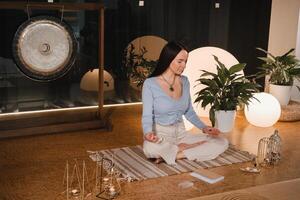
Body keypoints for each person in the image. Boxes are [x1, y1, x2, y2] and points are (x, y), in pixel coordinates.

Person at [142, 41, 228, 165]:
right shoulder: (150, 84)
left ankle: (178, 154)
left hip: (182, 135)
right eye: (180, 61)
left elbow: (189, 111)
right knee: (149, 148)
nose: (184, 65)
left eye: (185, 61)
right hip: (161, 135)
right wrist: (148, 133)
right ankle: (183, 149)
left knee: (222, 142)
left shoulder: (185, 81)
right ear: (168, 59)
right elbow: (147, 116)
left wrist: (204, 127)